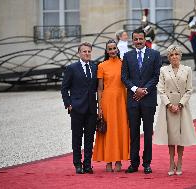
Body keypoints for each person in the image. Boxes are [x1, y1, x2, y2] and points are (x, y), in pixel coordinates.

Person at [121, 28, 162, 174]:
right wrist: (134, 89)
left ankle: (147, 163)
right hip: (132, 100)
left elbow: (156, 76)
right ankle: (134, 163)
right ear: (132, 40)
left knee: (148, 132)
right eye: (135, 39)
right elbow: (124, 77)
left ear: (145, 39)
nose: (138, 41)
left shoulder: (155, 55)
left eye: (140, 39)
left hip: (148, 100)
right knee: (134, 134)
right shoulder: (127, 56)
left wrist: (144, 90)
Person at [153, 45, 196, 176]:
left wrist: (180, 104)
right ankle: (171, 162)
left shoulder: (188, 70)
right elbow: (160, 89)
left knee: (181, 136)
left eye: (176, 54)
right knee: (171, 136)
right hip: (168, 107)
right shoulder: (163, 70)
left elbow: (189, 90)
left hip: (181, 107)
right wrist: (168, 105)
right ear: (168, 57)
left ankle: (180, 162)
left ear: (180, 56)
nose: (174, 57)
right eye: (171, 55)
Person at [93, 39, 130, 172]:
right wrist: (99, 107)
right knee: (108, 132)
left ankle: (119, 160)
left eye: (114, 48)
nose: (113, 51)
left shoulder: (124, 64)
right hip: (107, 101)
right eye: (110, 49)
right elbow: (99, 88)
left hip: (121, 100)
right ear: (107, 51)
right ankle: (108, 161)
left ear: (117, 49)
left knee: (119, 130)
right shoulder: (102, 66)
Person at [61, 42, 97, 174]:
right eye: (84, 51)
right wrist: (68, 104)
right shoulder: (72, 68)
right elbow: (64, 88)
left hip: (92, 109)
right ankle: (77, 164)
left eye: (89, 51)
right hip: (77, 108)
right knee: (77, 137)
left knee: (89, 138)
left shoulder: (94, 67)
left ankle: (87, 164)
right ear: (79, 53)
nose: (87, 53)